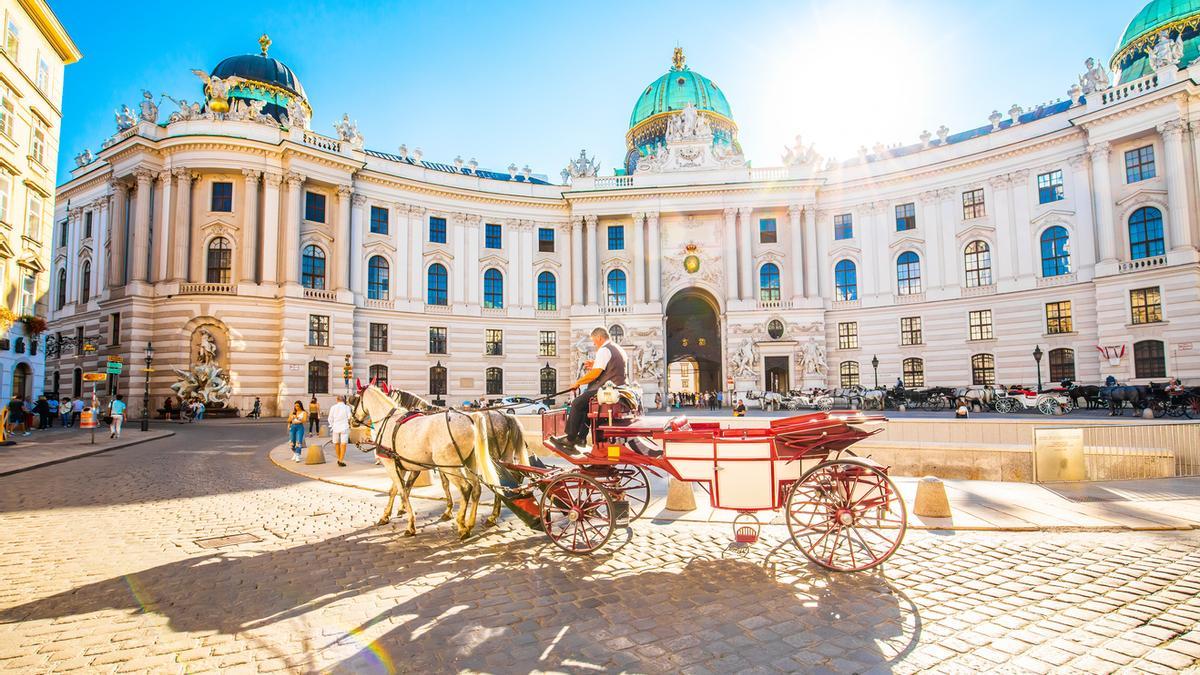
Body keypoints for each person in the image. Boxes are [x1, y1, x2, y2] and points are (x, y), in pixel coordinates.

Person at [548, 326, 628, 454]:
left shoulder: (604, 349)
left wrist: (578, 383)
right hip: (618, 388)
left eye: (594, 341)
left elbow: (596, 374)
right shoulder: (617, 348)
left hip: (607, 390)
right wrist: (594, 364)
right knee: (586, 406)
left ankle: (570, 439)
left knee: (576, 403)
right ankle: (581, 439)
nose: (594, 344)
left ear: (599, 337)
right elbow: (608, 368)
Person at [327, 394, 353, 467]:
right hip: (344, 427)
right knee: (343, 443)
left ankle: (339, 458)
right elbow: (349, 417)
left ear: (337, 400)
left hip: (335, 427)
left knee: (336, 443)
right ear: (344, 400)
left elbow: (330, 418)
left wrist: (332, 426)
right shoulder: (347, 407)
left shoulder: (333, 407)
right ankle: (341, 459)